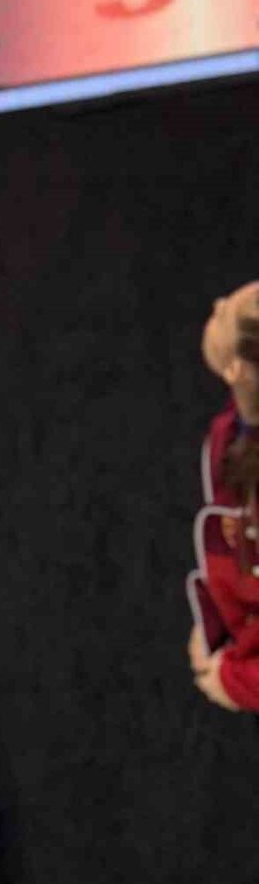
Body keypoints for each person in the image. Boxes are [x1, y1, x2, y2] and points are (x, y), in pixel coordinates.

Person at [188, 284, 259, 712]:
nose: (217, 306)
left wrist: (237, 680)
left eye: (229, 315)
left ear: (241, 369)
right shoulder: (228, 435)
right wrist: (218, 625)